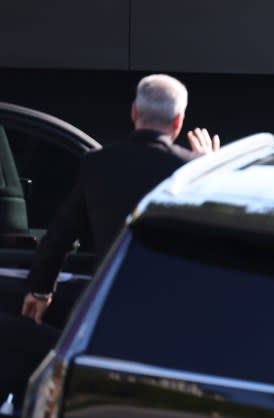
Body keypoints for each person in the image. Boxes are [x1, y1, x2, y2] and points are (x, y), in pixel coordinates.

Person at [21, 73, 219, 325]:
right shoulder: (192, 170)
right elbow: (214, 239)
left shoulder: (97, 164)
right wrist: (210, 169)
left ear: (134, 112)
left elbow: (60, 235)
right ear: (178, 121)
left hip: (109, 308)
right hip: (173, 311)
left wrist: (40, 289)